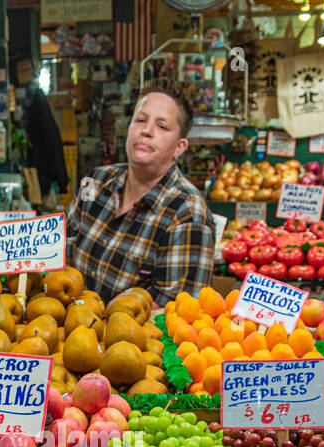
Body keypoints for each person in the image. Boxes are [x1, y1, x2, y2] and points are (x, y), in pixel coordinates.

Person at [66, 79, 215, 308]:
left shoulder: (187, 213)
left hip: (129, 342)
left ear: (179, 147)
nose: (146, 131)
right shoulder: (93, 181)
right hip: (66, 334)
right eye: (141, 120)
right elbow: (64, 251)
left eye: (162, 126)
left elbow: (175, 311)